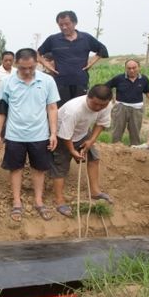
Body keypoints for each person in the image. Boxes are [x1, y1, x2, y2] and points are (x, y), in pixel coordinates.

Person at [0, 48, 59, 222]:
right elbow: (1, 109)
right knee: (16, 168)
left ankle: (39, 201)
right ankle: (16, 202)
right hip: (15, 134)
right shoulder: (7, 82)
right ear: (16, 64)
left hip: (40, 134)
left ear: (36, 63)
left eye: (31, 67)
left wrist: (53, 133)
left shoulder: (47, 81)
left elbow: (52, 108)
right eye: (23, 68)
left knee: (39, 168)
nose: (28, 71)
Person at [50, 85, 113, 216]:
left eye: (102, 105)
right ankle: (59, 201)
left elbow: (101, 123)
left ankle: (95, 192)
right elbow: (66, 135)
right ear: (88, 97)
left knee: (94, 158)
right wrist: (73, 151)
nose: (98, 108)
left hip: (82, 133)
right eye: (95, 104)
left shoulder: (106, 105)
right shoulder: (74, 109)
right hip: (61, 135)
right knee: (60, 166)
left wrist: (91, 141)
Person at [38, 10, 109, 107]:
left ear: (75, 23)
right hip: (60, 82)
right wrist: (47, 65)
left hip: (80, 81)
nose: (64, 27)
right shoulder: (53, 39)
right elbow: (37, 54)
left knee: (79, 109)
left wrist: (91, 62)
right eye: (60, 25)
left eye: (67, 24)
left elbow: (102, 50)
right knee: (61, 110)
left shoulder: (86, 38)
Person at [105, 59, 149, 145]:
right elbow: (106, 87)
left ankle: (135, 149)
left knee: (135, 132)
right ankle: (115, 148)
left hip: (137, 109)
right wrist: (110, 100)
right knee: (117, 130)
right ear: (125, 68)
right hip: (120, 107)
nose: (131, 70)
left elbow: (148, 92)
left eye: (134, 68)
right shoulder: (119, 78)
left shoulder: (144, 79)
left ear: (139, 67)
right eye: (129, 68)